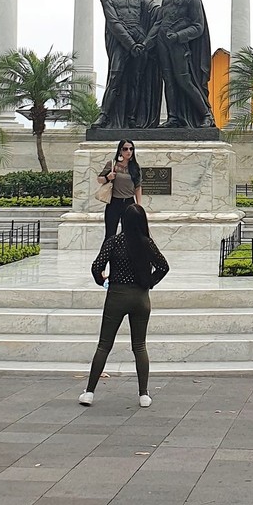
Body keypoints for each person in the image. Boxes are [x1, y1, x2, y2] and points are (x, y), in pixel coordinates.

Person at [79, 204, 169, 409]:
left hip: (117, 296)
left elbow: (96, 266)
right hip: (140, 297)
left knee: (104, 345)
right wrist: (149, 282)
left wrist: (102, 281)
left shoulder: (114, 242)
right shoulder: (147, 243)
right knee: (139, 346)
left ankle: (90, 392)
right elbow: (164, 266)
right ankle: (143, 394)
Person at [146, 0, 215, 128]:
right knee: (168, 81)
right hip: (163, 42)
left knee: (184, 80)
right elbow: (160, 21)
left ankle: (206, 115)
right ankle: (173, 117)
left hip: (179, 45)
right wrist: (147, 42)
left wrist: (178, 36)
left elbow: (198, 26)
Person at [94, 0, 161, 129]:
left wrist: (172, 4)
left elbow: (157, 11)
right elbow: (114, 22)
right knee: (115, 76)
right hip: (121, 40)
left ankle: (133, 117)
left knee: (137, 79)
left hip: (140, 37)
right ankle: (104, 115)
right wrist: (131, 45)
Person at [98, 140, 143, 240]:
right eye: (125, 149)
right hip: (114, 202)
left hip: (129, 203)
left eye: (131, 149)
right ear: (120, 151)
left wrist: (139, 206)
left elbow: (138, 187)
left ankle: (125, 255)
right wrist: (107, 178)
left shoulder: (135, 167)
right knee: (110, 234)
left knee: (128, 234)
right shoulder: (112, 164)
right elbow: (99, 179)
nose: (128, 151)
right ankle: (108, 255)